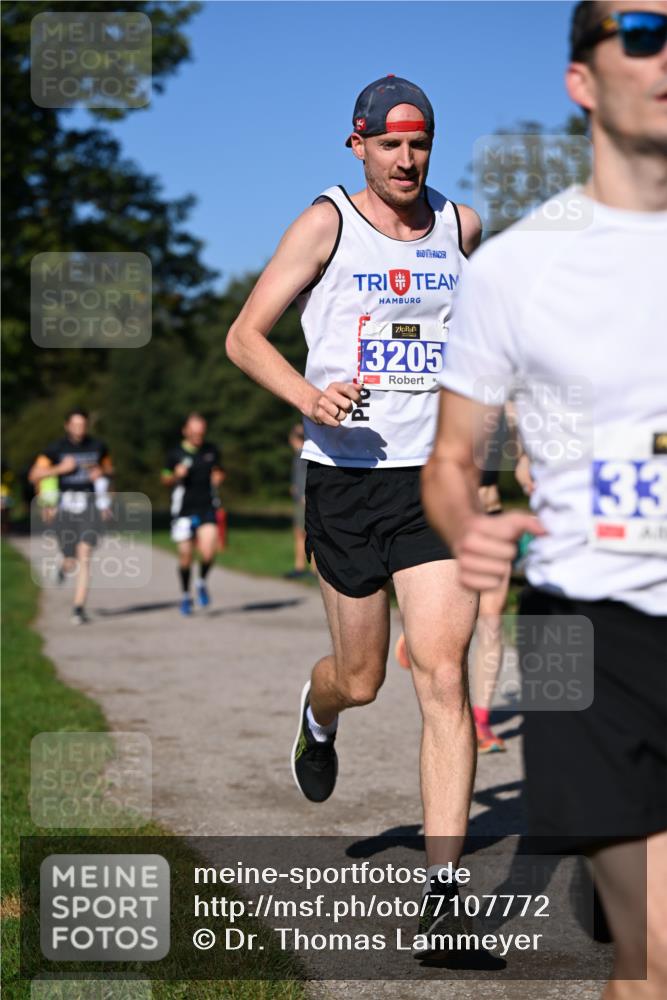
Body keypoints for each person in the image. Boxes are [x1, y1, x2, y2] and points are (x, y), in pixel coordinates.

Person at [422, 3, 667, 994]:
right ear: (581, 80)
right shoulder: (517, 269)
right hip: (598, 634)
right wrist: (466, 530)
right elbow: (449, 457)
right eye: (643, 32)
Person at [227, 74, 482, 932]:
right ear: (358, 145)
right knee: (363, 679)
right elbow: (243, 335)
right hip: (343, 481)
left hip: (430, 483)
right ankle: (317, 711)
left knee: (442, 675)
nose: (406, 160)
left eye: (419, 145)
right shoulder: (327, 221)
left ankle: (443, 900)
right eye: (389, 145)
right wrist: (307, 397)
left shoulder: (460, 227)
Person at [29, 409, 114, 624]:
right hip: (64, 508)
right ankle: (63, 566)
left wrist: (102, 474)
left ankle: (78, 608)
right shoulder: (55, 449)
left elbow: (110, 470)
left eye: (83, 425)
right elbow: (34, 475)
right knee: (70, 559)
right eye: (75, 425)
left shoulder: (98, 447)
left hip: (90, 506)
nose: (79, 429)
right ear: (67, 425)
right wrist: (60, 468)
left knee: (84, 555)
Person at [161, 413, 225, 616]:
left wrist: (219, 477)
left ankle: (201, 581)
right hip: (183, 510)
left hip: (207, 506)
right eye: (195, 432)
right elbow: (164, 479)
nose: (199, 436)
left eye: (201, 432)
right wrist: (175, 476)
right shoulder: (175, 454)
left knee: (208, 553)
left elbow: (220, 471)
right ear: (185, 431)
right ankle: (186, 595)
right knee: (185, 557)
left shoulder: (211, 450)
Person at [284, 422, 311, 579]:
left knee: (305, 533)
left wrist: (303, 494)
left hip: (303, 500)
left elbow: (305, 477)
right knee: (300, 533)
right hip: (300, 498)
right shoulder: (299, 454)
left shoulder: (303, 453)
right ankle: (300, 566)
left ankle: (309, 569)